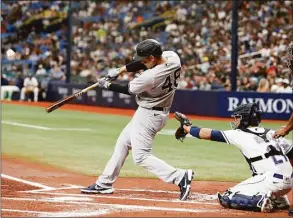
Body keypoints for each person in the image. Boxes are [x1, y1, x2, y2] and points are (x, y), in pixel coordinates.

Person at [81, 39, 194, 201]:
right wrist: (120, 70)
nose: (141, 62)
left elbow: (128, 89)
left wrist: (107, 85)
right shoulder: (173, 57)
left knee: (141, 156)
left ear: (152, 58)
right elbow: (143, 64)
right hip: (153, 113)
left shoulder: (151, 76)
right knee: (123, 143)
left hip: (149, 115)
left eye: (144, 59)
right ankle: (104, 183)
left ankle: (179, 177)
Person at [174, 103, 292, 212]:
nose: (235, 121)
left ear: (245, 119)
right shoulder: (273, 132)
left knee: (227, 197)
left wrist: (187, 128)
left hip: (271, 181)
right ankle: (279, 199)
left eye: (237, 118)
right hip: (288, 182)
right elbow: (291, 153)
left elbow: (207, 133)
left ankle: (260, 201)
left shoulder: (240, 134)